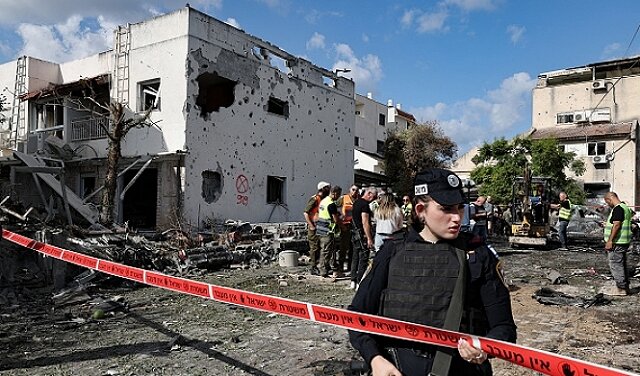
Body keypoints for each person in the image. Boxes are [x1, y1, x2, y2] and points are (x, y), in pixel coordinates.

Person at [348, 168, 517, 376]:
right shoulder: (392, 251)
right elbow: (357, 315)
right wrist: (375, 359)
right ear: (420, 210)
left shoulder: (478, 255)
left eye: (459, 208)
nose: (457, 217)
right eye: (446, 209)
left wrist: (484, 348)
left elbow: (504, 328)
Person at [602, 191, 633, 296]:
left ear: (610, 198)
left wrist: (610, 241)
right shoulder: (625, 208)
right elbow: (617, 223)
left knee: (616, 265)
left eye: (607, 202)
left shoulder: (618, 208)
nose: (608, 204)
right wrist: (607, 225)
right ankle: (625, 287)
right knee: (622, 264)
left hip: (617, 242)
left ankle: (621, 289)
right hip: (623, 241)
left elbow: (617, 225)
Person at [350, 187, 377, 290]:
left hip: (354, 233)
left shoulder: (356, 202)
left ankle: (353, 280)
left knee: (355, 257)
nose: (373, 200)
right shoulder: (364, 205)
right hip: (361, 234)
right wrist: (369, 238)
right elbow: (365, 222)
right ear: (369, 194)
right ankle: (359, 282)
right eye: (373, 197)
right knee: (363, 258)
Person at [303, 181, 331, 275]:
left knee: (322, 247)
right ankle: (313, 267)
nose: (329, 190)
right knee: (314, 248)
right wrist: (311, 225)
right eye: (327, 188)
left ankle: (322, 266)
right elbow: (306, 213)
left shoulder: (325, 199)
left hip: (321, 226)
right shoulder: (315, 199)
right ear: (322, 189)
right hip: (314, 227)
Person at [316, 186, 343, 278]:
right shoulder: (331, 204)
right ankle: (323, 271)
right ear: (334, 193)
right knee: (326, 251)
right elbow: (336, 219)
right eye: (338, 194)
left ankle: (327, 268)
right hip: (328, 230)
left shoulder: (323, 201)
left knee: (324, 250)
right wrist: (343, 227)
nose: (339, 197)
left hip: (320, 229)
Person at [336, 185, 359, 274]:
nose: (355, 192)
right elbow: (334, 207)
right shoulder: (344, 198)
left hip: (354, 226)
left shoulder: (358, 200)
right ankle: (340, 267)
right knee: (343, 247)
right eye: (353, 190)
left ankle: (351, 267)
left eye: (356, 190)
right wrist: (340, 217)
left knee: (352, 247)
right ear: (350, 190)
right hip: (345, 226)